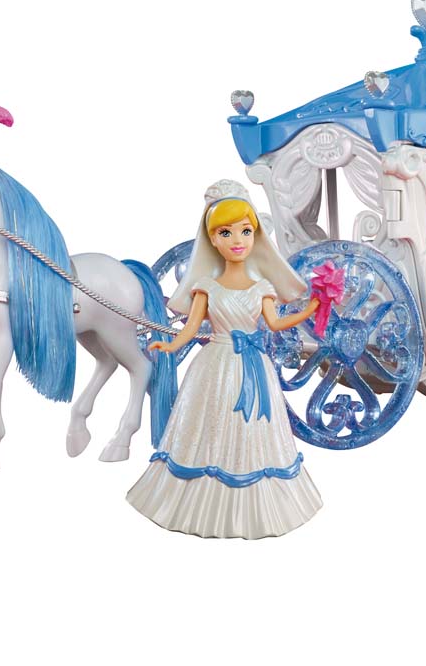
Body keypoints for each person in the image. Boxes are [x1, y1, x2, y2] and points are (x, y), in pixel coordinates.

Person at [126, 179, 323, 539]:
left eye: (245, 231)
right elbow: (190, 328)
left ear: (255, 236)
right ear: (213, 240)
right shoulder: (207, 287)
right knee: (208, 426)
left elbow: (275, 323)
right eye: (226, 233)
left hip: (253, 367)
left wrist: (308, 310)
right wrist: (170, 345)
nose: (237, 240)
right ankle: (197, 499)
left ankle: (256, 502)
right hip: (214, 367)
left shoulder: (262, 288)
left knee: (254, 430)